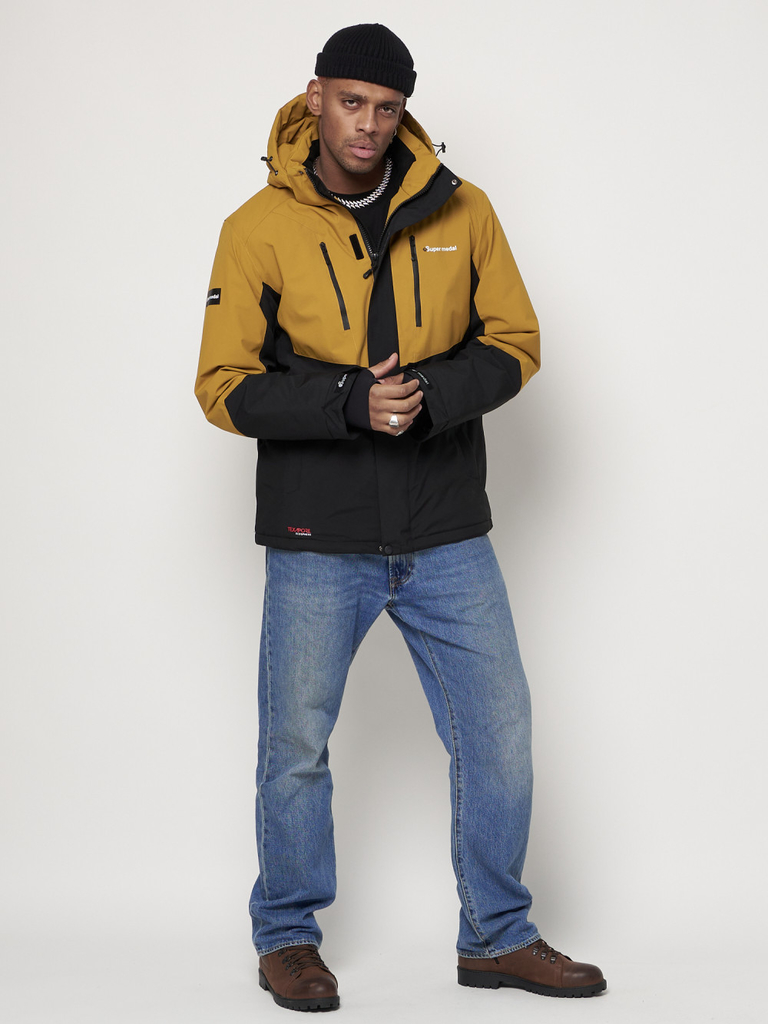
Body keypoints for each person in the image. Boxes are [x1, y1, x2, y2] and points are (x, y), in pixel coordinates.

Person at [195, 23, 606, 1013]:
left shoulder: (464, 210)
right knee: (296, 746)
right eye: (351, 102)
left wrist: (432, 393)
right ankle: (287, 938)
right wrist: (347, 400)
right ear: (316, 99)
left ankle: (496, 937)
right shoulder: (258, 227)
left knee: (500, 730)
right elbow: (222, 384)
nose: (368, 125)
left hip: (444, 525)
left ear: (403, 113)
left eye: (386, 108)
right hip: (317, 534)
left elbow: (515, 340)